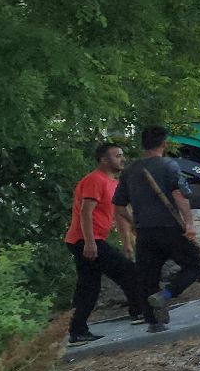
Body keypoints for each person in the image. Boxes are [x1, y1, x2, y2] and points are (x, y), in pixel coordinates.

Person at [115, 125, 200, 333]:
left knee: (147, 278)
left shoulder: (131, 170)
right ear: (164, 144)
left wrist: (133, 223)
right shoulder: (169, 166)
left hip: (145, 233)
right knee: (194, 266)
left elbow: (119, 205)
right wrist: (190, 225)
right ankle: (164, 296)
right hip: (170, 228)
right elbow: (180, 197)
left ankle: (154, 323)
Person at [63, 142, 147, 346]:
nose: (122, 159)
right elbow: (85, 212)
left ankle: (77, 331)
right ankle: (138, 312)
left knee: (89, 287)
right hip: (86, 240)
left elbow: (119, 211)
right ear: (104, 160)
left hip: (88, 240)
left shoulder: (113, 183)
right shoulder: (95, 180)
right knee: (128, 272)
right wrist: (90, 243)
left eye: (122, 155)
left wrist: (132, 230)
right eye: (117, 156)